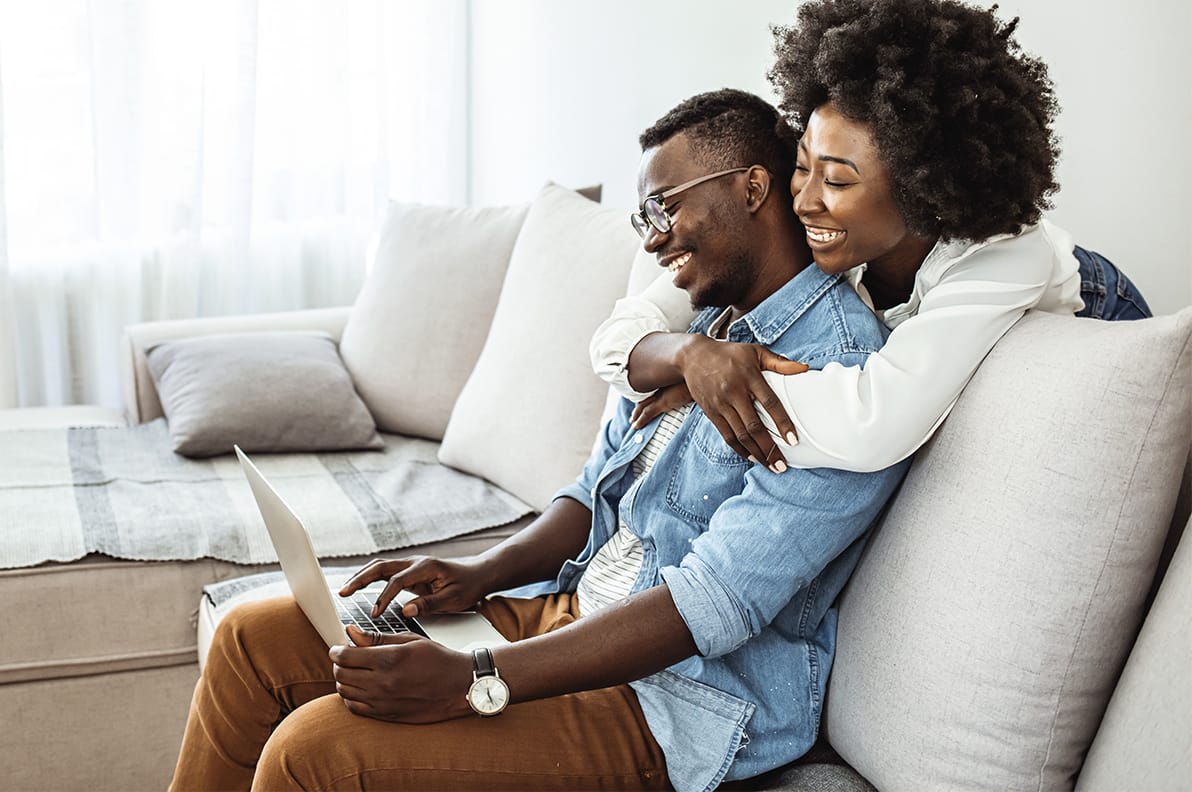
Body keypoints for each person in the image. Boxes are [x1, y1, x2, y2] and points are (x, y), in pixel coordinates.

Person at [169, 90, 911, 792]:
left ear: (751, 189)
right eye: (643, 214)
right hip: (566, 611)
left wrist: (477, 674)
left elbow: (711, 601)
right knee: (251, 640)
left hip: (670, 700)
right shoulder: (697, 328)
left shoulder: (836, 372)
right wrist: (478, 573)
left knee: (315, 750)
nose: (653, 237)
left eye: (665, 205)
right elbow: (593, 497)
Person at [591, 0, 1153, 476]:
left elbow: (874, 422)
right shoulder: (800, 206)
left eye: (836, 180)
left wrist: (709, 387)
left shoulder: (1004, 254)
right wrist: (690, 355)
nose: (805, 199)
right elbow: (618, 338)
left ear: (920, 190)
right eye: (802, 166)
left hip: (1100, 305)